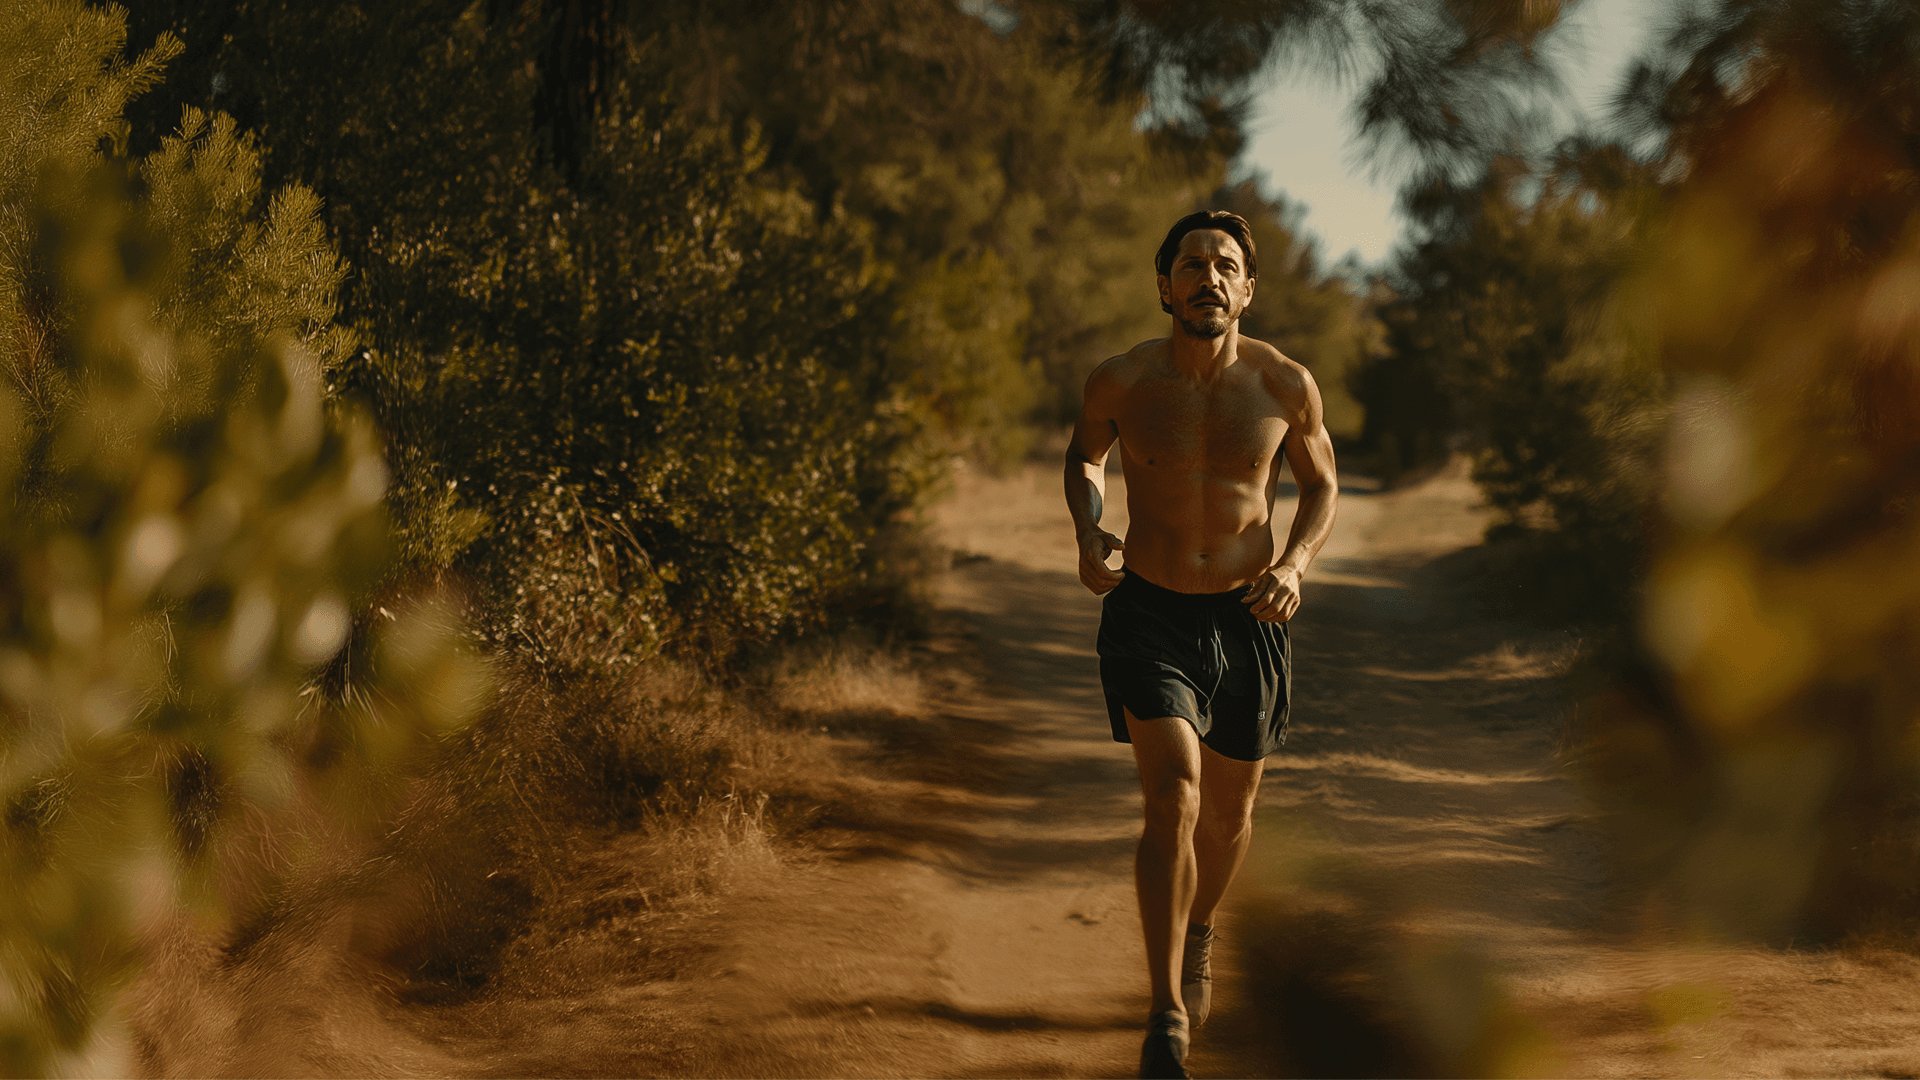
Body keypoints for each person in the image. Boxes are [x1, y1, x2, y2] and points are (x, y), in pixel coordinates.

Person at [1063, 210, 1338, 1079]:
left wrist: (1296, 562)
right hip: (1149, 612)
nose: (1208, 276)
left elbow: (1322, 484)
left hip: (1249, 616)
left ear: (1247, 290)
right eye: (1192, 263)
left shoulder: (1285, 384)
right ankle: (1165, 1016)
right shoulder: (1121, 380)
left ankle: (1200, 932)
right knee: (1175, 797)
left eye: (1225, 266)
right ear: (1165, 284)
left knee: (1228, 816)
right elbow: (1084, 458)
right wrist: (1089, 530)